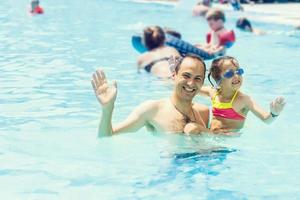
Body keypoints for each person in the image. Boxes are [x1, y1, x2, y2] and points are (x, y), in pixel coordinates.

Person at [91, 54, 210, 137]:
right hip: (172, 170)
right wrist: (108, 109)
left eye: (197, 78)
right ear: (174, 75)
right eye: (186, 76)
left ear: (203, 82)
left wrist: (202, 130)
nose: (191, 83)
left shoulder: (203, 112)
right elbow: (107, 136)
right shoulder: (153, 109)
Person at [199, 56, 285, 133]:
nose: (236, 76)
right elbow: (194, 89)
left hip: (227, 144)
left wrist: (274, 113)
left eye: (239, 72)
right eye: (230, 74)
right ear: (218, 81)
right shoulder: (213, 92)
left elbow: (266, 119)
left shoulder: (243, 100)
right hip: (213, 136)